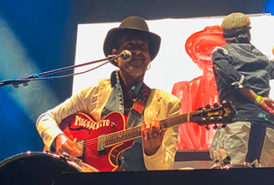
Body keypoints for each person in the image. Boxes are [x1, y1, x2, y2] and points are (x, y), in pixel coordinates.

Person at [36, 16, 180, 171]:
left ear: (148, 58)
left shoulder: (168, 104)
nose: (137, 51)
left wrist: (153, 151)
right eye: (130, 46)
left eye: (143, 47)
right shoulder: (93, 93)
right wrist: (59, 138)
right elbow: (45, 118)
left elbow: (164, 168)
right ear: (115, 55)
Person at [209, 12, 274, 167]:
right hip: (265, 125)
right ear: (248, 32)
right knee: (268, 179)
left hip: (237, 124)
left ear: (226, 35)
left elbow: (233, 78)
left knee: (233, 177)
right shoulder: (261, 57)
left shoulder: (222, 53)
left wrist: (257, 99)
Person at [172, 25, 227, 151]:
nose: (209, 56)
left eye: (216, 50)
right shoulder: (182, 90)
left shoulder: (239, 88)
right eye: (204, 49)